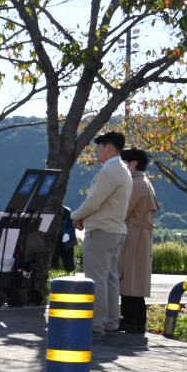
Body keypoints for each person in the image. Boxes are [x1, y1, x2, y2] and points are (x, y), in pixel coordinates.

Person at [71, 131, 132, 337]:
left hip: (102, 229)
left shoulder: (109, 170)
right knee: (110, 278)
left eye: (99, 146)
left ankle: (96, 324)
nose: (96, 151)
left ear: (109, 147)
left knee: (96, 278)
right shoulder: (123, 169)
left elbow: (94, 201)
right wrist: (84, 217)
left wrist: (75, 216)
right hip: (116, 229)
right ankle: (110, 322)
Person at [119, 147, 159, 335]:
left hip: (133, 234)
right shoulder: (144, 181)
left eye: (123, 162)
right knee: (135, 279)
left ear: (132, 164)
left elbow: (123, 210)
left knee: (129, 278)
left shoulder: (135, 183)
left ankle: (130, 320)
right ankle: (137, 322)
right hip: (139, 234)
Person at [52, 205, 77, 272]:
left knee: (69, 264)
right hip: (53, 240)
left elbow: (72, 225)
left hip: (66, 242)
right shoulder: (49, 211)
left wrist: (68, 234)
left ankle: (71, 276)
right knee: (52, 264)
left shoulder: (67, 212)